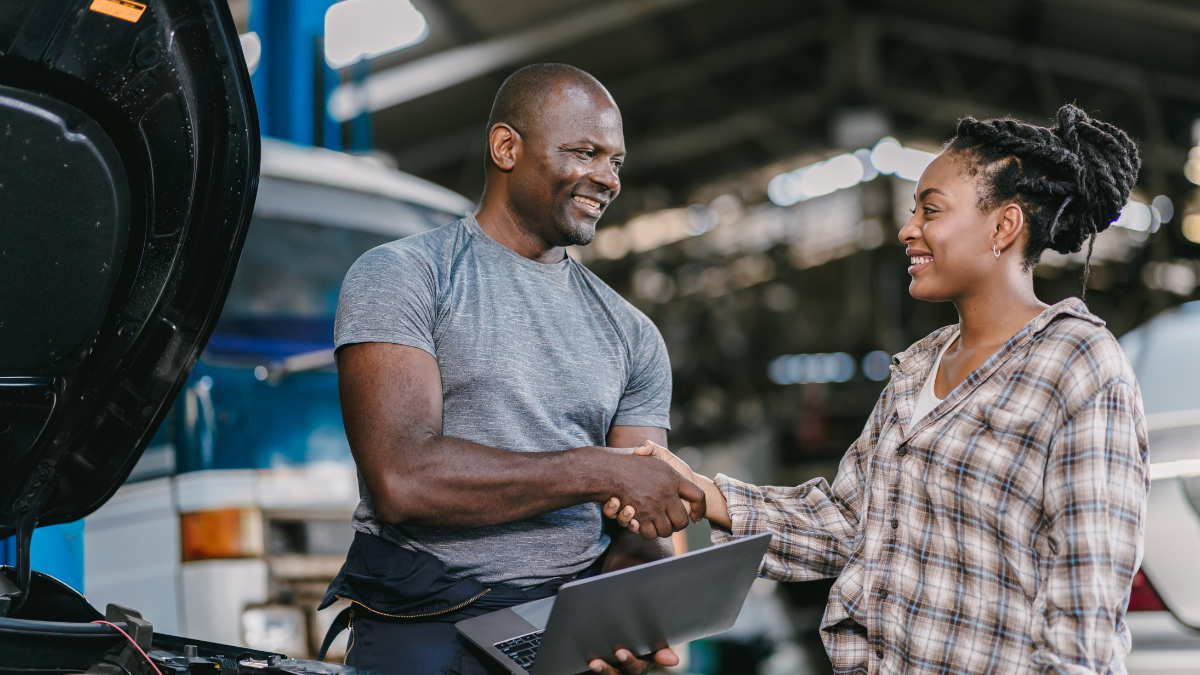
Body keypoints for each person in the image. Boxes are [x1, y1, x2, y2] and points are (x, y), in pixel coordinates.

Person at [608, 104, 1149, 674]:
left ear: (1004, 226)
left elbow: (1085, 613)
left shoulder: (1079, 365)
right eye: (913, 209)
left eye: (931, 211)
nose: (907, 228)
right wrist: (700, 493)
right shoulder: (918, 366)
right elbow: (849, 523)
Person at [320, 63, 704, 675]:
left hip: (562, 627)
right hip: (425, 623)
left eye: (616, 162)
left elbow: (640, 514)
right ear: (506, 148)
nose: (607, 179)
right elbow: (402, 480)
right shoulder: (405, 276)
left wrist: (630, 600)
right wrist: (596, 470)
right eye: (585, 152)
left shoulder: (632, 333)